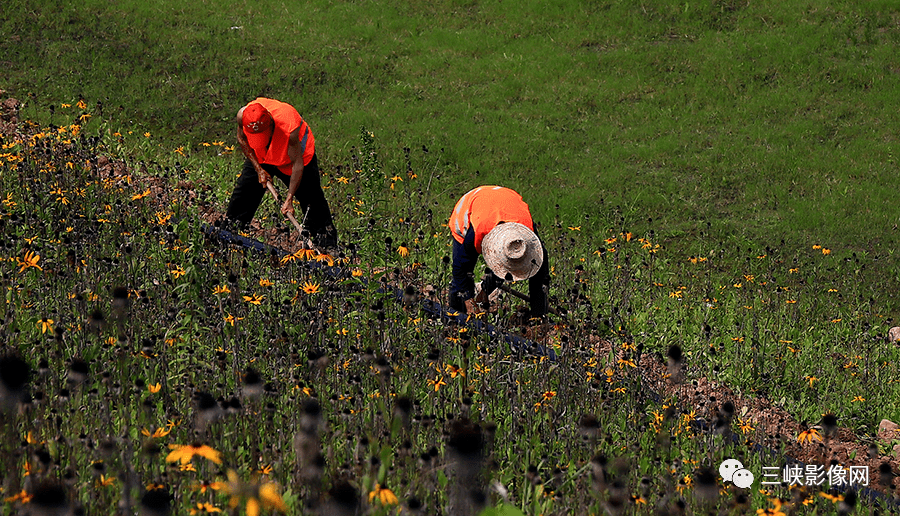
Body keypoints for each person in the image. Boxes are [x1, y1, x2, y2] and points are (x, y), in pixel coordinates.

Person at [225, 97, 338, 249]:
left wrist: (289, 198)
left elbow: (298, 165)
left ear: (271, 125)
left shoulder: (288, 126)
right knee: (245, 191)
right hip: (263, 155)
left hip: (295, 158)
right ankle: (230, 233)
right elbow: (242, 139)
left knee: (312, 201)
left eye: (263, 136)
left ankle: (326, 245)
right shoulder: (243, 116)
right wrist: (259, 169)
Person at [448, 185, 549, 319]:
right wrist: (468, 301)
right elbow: (460, 268)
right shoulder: (476, 233)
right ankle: (456, 315)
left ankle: (538, 316)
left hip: (508, 204)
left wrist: (539, 311)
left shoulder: (528, 232)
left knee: (536, 266)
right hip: (471, 208)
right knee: (461, 284)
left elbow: (539, 267)